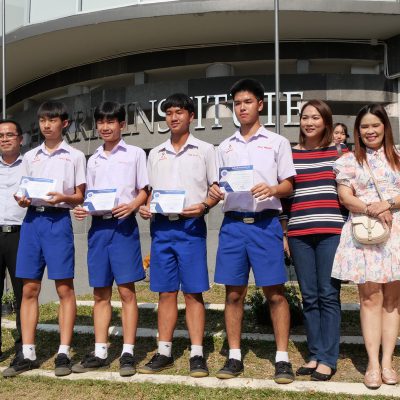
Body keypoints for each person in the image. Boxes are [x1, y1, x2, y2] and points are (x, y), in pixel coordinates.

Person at [209, 78, 296, 383]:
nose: (242, 108)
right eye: (237, 103)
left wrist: (272, 188)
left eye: (247, 102)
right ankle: (234, 357)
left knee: (275, 293)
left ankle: (282, 358)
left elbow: (288, 185)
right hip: (234, 225)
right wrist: (214, 192)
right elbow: (218, 185)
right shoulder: (225, 146)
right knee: (234, 294)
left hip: (265, 223)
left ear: (260, 104)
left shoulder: (277, 142)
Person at [2, 101, 86, 378]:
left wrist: (64, 197)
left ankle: (63, 351)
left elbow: (80, 195)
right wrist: (22, 199)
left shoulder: (75, 156)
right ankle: (27, 353)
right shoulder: (30, 156)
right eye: (42, 120)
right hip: (31, 222)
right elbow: (25, 191)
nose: (46, 125)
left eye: (52, 120)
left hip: (57, 221)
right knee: (28, 289)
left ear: (65, 123)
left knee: (64, 288)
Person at [138, 93, 218, 378]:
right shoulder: (155, 152)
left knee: (193, 292)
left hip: (190, 227)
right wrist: (145, 207)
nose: (173, 117)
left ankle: (197, 353)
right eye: (169, 112)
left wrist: (205, 205)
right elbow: (149, 191)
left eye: (179, 112)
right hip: (161, 228)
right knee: (166, 291)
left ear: (191, 116)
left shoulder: (205, 150)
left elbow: (215, 189)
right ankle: (164, 351)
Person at [72, 101, 148, 377]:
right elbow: (89, 196)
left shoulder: (136, 154)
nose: (105, 127)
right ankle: (100, 351)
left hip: (123, 227)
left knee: (127, 291)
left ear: (122, 125)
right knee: (100, 292)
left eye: (111, 122)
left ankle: (128, 352)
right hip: (98, 228)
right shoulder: (93, 159)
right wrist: (83, 208)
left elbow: (144, 189)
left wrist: (133, 205)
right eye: (101, 122)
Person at [331, 104, 400, 389]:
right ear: (357, 131)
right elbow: (345, 197)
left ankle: (388, 362)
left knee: (393, 300)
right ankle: (372, 363)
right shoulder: (348, 161)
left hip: (395, 233)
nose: (370, 131)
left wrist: (388, 203)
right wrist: (374, 208)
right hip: (364, 232)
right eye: (364, 127)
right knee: (370, 298)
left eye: (375, 125)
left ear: (385, 127)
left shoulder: (398, 156)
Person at [284, 99, 348, 381]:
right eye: (305, 117)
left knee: (328, 294)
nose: (309, 122)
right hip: (299, 233)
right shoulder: (290, 155)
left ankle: (328, 358)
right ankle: (315, 353)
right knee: (309, 296)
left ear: (326, 122)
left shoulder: (341, 153)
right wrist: (285, 233)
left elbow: (348, 194)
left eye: (315, 117)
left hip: (331, 232)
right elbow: (285, 200)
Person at [0, 119, 26, 361]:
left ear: (20, 138)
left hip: (20, 234)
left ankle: (23, 348)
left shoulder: (30, 166)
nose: (5, 139)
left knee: (22, 293)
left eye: (9, 135)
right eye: (1, 136)